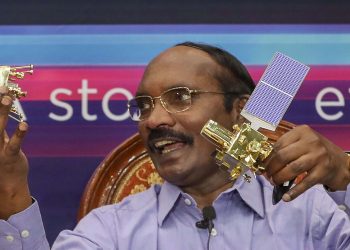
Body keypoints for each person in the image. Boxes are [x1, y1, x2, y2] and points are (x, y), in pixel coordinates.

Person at [0, 42, 350, 249]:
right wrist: (12, 196)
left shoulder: (311, 211)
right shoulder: (110, 231)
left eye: (180, 97)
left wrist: (345, 176)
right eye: (144, 105)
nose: (154, 120)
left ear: (241, 111)